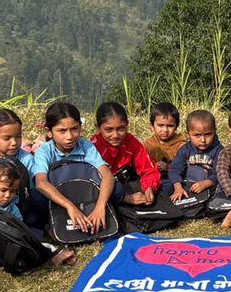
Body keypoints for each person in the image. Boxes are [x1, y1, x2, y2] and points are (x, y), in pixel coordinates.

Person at [30, 100, 114, 237]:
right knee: (35, 198)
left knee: (116, 190)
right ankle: (52, 220)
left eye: (74, 129)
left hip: (84, 194)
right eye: (62, 131)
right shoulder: (44, 151)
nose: (69, 136)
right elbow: (41, 183)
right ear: (48, 132)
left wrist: (100, 206)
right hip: (59, 198)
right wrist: (68, 205)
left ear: (80, 127)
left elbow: (107, 176)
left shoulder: (86, 146)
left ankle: (95, 214)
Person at [92, 101, 159, 208]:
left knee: (165, 186)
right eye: (109, 130)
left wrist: (149, 188)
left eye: (120, 129)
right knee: (116, 189)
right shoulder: (93, 147)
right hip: (106, 190)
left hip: (127, 183)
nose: (115, 135)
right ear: (98, 127)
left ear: (127, 125)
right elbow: (91, 182)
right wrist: (126, 198)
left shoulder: (131, 142)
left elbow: (148, 169)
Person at [167, 110, 223, 202]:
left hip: (209, 185)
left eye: (208, 134)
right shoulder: (185, 149)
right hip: (187, 184)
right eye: (197, 135)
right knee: (166, 185)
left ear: (214, 131)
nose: (203, 140)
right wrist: (178, 188)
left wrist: (207, 183)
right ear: (187, 133)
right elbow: (175, 169)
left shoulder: (219, 150)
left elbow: (221, 172)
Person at [144, 101, 186, 178]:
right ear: (152, 126)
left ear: (176, 126)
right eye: (160, 125)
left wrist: (168, 167)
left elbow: (184, 168)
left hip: (173, 179)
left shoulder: (181, 145)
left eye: (170, 126)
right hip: (152, 178)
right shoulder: (149, 144)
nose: (165, 130)